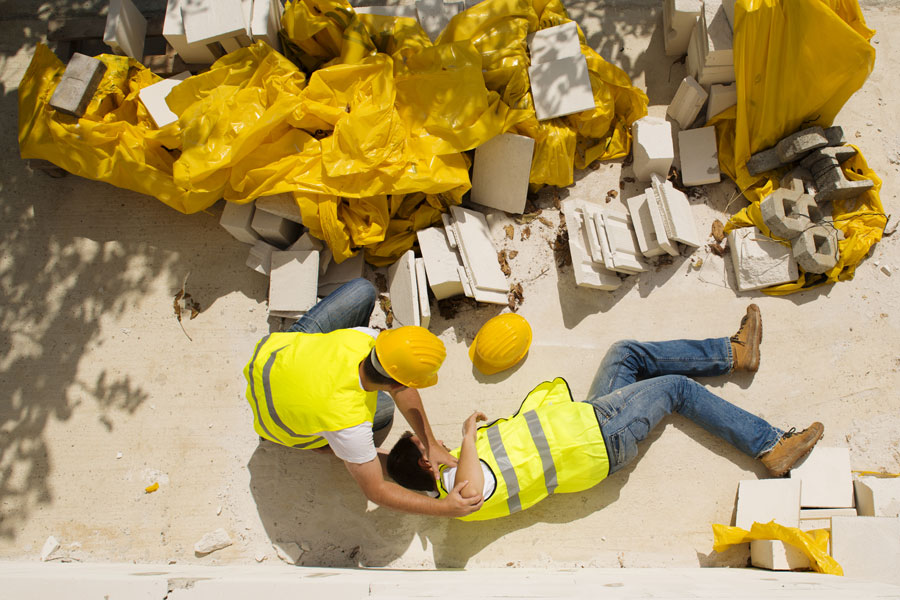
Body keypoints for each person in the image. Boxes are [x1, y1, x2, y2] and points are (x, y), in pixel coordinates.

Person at [386, 305, 824, 520]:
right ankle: (770, 445)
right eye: (424, 441)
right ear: (427, 461)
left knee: (624, 354)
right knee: (675, 389)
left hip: (587, 420)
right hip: (602, 438)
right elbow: (473, 489)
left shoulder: (449, 475)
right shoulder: (458, 493)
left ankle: (733, 353)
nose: (433, 438)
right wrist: (464, 437)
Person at [244, 277, 483, 517]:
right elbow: (376, 490)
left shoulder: (362, 338)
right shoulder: (350, 422)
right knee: (384, 411)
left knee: (363, 290)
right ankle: (322, 445)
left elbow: (401, 385)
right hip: (274, 421)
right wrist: (444, 507)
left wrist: (430, 444)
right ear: (395, 383)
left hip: (271, 357)